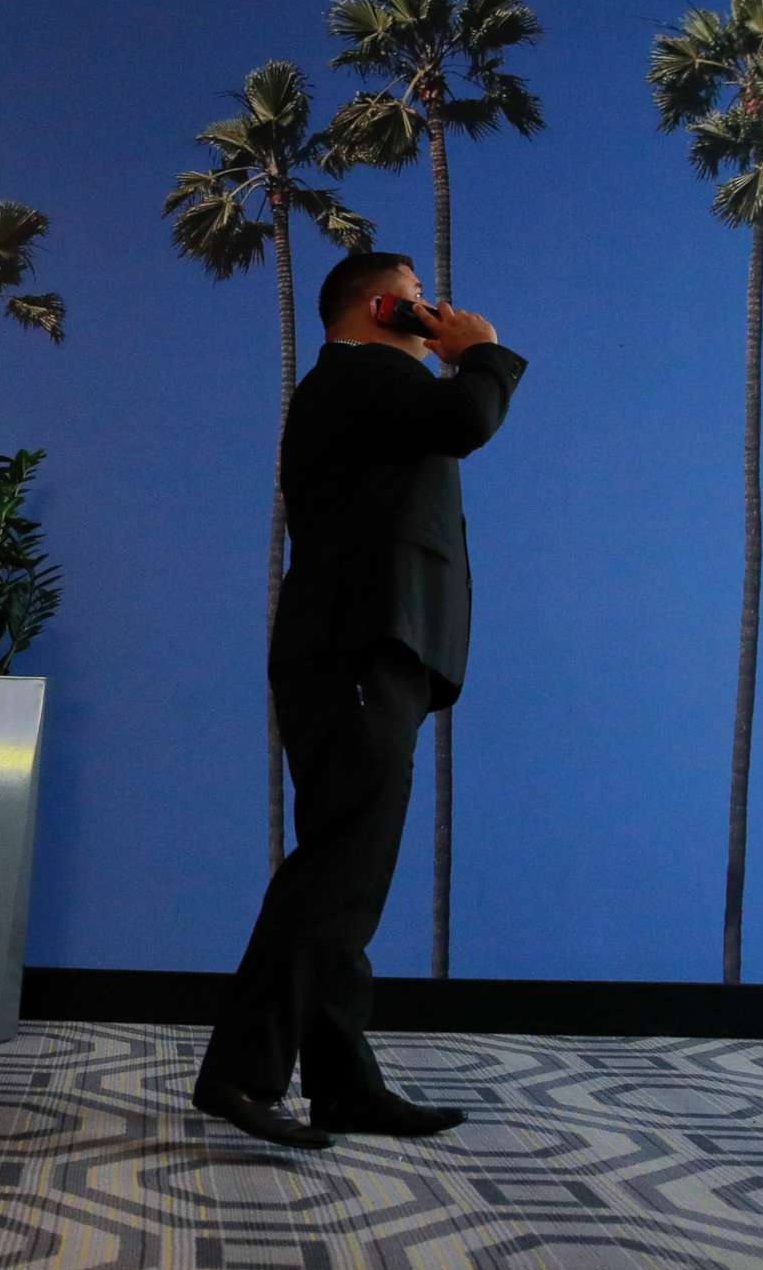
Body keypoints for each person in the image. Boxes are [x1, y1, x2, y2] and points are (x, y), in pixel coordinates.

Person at [190, 250, 528, 1150]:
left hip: (365, 651)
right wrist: (482, 349)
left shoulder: (364, 386)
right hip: (355, 651)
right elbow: (468, 419)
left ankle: (344, 1085)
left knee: (350, 868)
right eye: (421, 302)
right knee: (341, 869)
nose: (439, 311)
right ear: (384, 308)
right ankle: (239, 1074)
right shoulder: (363, 373)